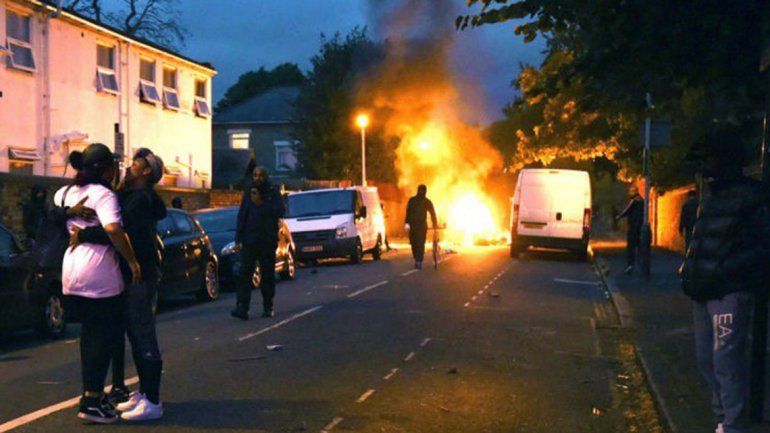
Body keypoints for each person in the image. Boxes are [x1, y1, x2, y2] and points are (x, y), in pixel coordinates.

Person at [680, 134, 770, 433]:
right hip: (704, 290)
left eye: (709, 158)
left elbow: (761, 246)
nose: (704, 166)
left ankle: (733, 426)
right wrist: (690, 274)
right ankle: (723, 420)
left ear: (725, 160)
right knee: (707, 359)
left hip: (728, 292)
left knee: (726, 360)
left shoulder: (751, 196)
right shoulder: (711, 196)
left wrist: (726, 273)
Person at [71, 148, 167, 421]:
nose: (130, 166)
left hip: (141, 275)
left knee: (143, 334)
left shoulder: (140, 200)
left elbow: (119, 233)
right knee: (135, 333)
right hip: (130, 274)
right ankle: (144, 393)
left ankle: (153, 400)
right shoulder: (132, 196)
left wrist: (84, 233)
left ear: (147, 171)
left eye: (137, 163)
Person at [54, 143, 142, 424]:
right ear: (106, 169)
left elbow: (49, 216)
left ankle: (91, 395)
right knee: (102, 337)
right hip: (99, 273)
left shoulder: (64, 193)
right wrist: (132, 261)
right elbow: (114, 229)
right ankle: (92, 400)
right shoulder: (104, 194)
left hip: (71, 270)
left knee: (89, 335)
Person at [231, 164, 285, 320]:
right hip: (249, 240)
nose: (257, 178)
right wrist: (238, 238)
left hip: (267, 240)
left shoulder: (273, 192)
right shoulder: (248, 193)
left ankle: (268, 306)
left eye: (261, 175)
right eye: (255, 175)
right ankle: (242, 307)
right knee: (244, 274)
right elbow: (242, 215)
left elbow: (280, 211)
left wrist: (261, 203)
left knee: (267, 274)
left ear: (266, 177)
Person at [404, 184, 437, 269]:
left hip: (422, 226)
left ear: (425, 192)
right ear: (418, 190)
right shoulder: (412, 200)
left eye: (423, 191)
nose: (421, 192)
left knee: (420, 243)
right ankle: (416, 258)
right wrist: (406, 223)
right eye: (420, 190)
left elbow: (432, 213)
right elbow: (408, 213)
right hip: (413, 226)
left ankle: (419, 261)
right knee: (414, 243)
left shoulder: (427, 202)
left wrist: (435, 224)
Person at [616, 185, 644, 274]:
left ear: (634, 192)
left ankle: (630, 266)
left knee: (631, 248)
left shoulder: (634, 201)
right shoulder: (642, 201)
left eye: (631, 191)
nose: (629, 193)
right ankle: (642, 266)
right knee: (640, 248)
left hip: (633, 227)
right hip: (640, 227)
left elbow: (627, 211)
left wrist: (619, 216)